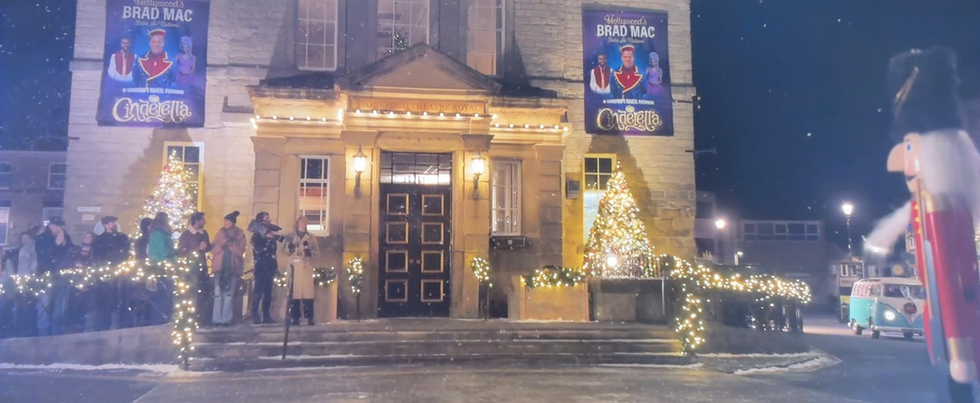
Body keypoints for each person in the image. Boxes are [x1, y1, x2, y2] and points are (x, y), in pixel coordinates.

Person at [35, 217, 73, 336]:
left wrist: (64, 243)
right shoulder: (43, 238)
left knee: (59, 302)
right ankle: (43, 329)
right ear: (51, 226)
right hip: (46, 274)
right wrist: (56, 243)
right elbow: (44, 254)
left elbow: (70, 252)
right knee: (44, 303)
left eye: (60, 226)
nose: (58, 229)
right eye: (56, 225)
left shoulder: (66, 237)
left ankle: (57, 327)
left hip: (61, 274)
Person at [92, 216, 130, 330]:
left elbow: (126, 251)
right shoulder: (100, 240)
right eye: (110, 223)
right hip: (107, 272)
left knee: (121, 294)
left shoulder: (122, 237)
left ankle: (122, 320)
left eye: (114, 223)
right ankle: (105, 322)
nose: (113, 225)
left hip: (121, 269)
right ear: (105, 225)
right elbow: (98, 255)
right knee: (107, 297)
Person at [283, 217, 320, 326]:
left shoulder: (312, 237)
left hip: (306, 266)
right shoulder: (290, 236)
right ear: (297, 223)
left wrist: (309, 252)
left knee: (308, 293)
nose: (305, 223)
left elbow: (317, 253)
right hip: (294, 267)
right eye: (302, 221)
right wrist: (290, 248)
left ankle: (310, 317)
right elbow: (284, 252)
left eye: (306, 221)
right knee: (295, 293)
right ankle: (295, 317)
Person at [211, 211, 246, 326]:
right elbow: (213, 250)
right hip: (219, 268)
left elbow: (240, 251)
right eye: (225, 221)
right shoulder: (220, 233)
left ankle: (226, 319)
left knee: (228, 294)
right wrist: (221, 245)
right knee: (217, 294)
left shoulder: (239, 234)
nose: (225, 223)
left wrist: (230, 245)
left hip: (232, 268)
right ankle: (216, 319)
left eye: (228, 221)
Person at [178, 212, 212, 325]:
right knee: (192, 293)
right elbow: (182, 251)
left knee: (203, 292)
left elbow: (208, 248)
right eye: (203, 220)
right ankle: (191, 318)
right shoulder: (186, 235)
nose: (205, 222)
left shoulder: (204, 233)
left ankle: (202, 318)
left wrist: (207, 247)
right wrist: (198, 248)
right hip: (191, 268)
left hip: (203, 266)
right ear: (196, 221)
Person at [248, 212, 281, 325]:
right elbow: (258, 250)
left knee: (268, 292)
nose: (269, 220)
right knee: (258, 292)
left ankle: (266, 316)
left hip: (270, 267)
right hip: (261, 266)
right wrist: (267, 240)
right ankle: (255, 315)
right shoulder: (257, 236)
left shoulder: (271, 235)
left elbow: (273, 252)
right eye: (267, 218)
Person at [61, 232, 96, 333]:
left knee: (83, 304)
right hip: (74, 280)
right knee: (71, 303)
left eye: (89, 236)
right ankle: (70, 324)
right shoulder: (75, 250)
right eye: (85, 236)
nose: (86, 238)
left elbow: (93, 263)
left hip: (86, 282)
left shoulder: (93, 251)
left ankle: (81, 324)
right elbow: (67, 261)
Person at [147, 212, 177, 325]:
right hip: (162, 269)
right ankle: (159, 320)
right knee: (162, 295)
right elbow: (162, 251)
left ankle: (163, 318)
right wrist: (175, 254)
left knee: (165, 295)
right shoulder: (159, 235)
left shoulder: (161, 234)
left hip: (164, 268)